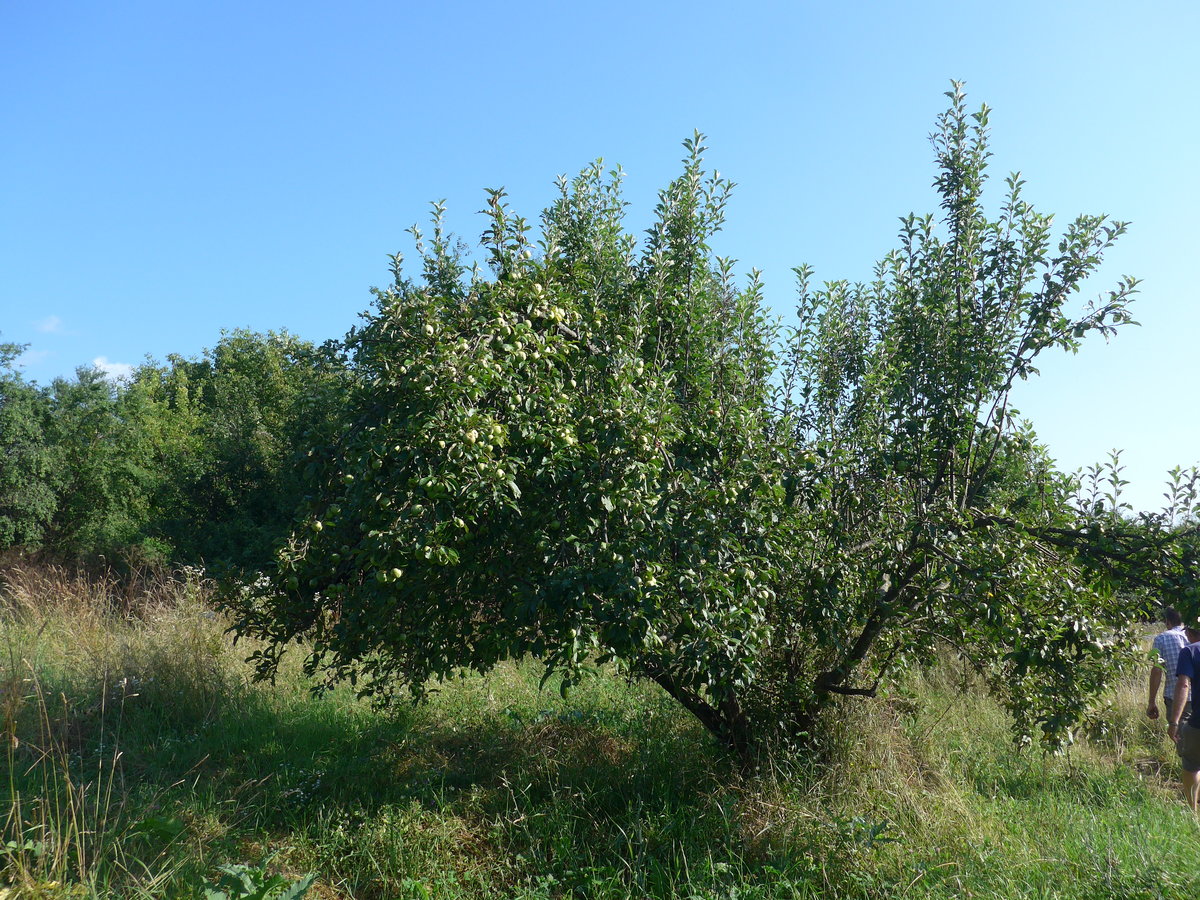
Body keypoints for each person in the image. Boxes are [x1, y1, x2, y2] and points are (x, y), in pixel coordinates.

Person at [1167, 623, 1200, 811]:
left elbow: (1183, 685)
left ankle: (1192, 811)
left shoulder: (1190, 651)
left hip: (1198, 721)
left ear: (1189, 632)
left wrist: (1174, 721)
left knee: (1192, 765)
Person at [1148, 607, 1190, 723]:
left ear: (1167, 621)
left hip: (1174, 696)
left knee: (1179, 736)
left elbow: (1157, 671)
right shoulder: (1193, 635)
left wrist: (1151, 701)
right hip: (1196, 695)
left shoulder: (1162, 639)